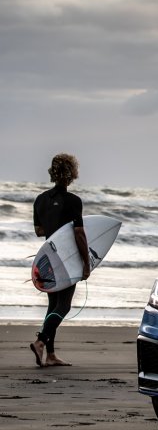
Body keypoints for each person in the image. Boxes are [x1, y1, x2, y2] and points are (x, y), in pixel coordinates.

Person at [31, 154, 90, 367]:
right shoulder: (73, 201)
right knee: (63, 306)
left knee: (53, 305)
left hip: (48, 257)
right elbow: (79, 233)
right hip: (66, 258)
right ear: (72, 173)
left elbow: (39, 231)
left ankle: (51, 355)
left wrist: (53, 226)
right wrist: (86, 263)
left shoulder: (40, 200)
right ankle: (40, 342)